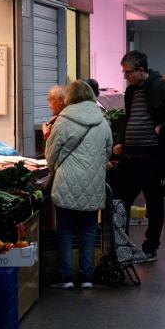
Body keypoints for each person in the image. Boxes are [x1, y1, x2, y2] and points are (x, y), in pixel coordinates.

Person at [115, 50, 165, 259]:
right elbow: (129, 118)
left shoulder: (159, 85)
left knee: (153, 201)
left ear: (141, 70)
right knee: (122, 200)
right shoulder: (131, 91)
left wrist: (162, 128)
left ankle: (150, 246)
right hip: (130, 156)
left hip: (152, 156)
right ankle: (122, 244)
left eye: (127, 72)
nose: (125, 77)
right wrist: (122, 141)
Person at [45, 80, 113, 289]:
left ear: (70, 97)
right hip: (93, 183)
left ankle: (64, 277)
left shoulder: (64, 120)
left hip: (66, 181)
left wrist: (53, 166)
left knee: (65, 229)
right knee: (89, 229)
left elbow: (51, 154)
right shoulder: (102, 121)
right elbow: (107, 151)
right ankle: (86, 277)